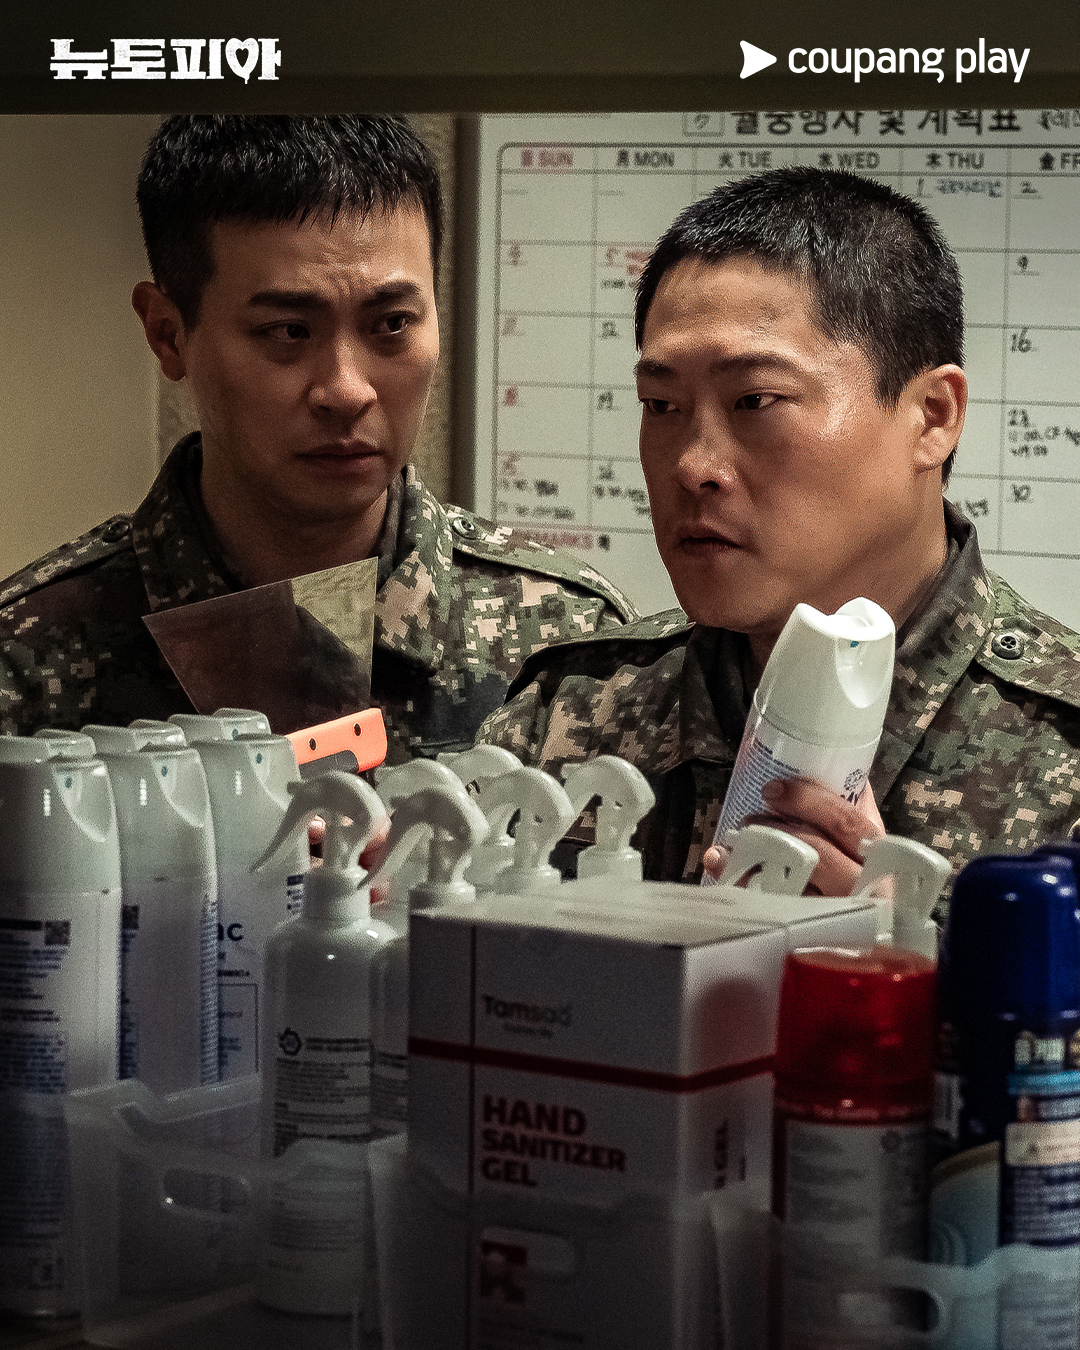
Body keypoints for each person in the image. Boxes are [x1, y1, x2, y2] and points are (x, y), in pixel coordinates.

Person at [477, 167, 1080, 893]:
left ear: (931, 417)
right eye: (661, 405)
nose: (693, 466)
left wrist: (919, 951)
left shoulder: (1063, 754)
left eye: (756, 400)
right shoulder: (571, 711)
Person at [0, 115, 634, 761]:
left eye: (392, 324)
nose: (346, 391)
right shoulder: (25, 661)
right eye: (288, 332)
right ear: (168, 334)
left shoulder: (567, 642)